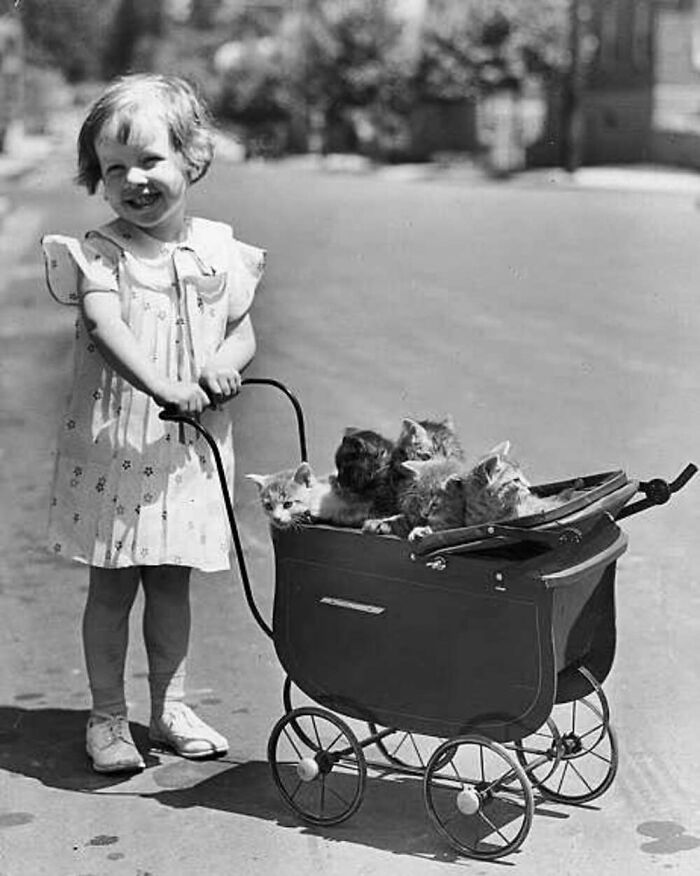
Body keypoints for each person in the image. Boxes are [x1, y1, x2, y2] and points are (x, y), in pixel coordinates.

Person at [41, 73, 265, 773]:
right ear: (98, 179)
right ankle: (107, 715)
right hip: (117, 446)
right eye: (115, 169)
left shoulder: (219, 252)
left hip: (182, 451)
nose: (133, 180)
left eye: (150, 161)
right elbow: (109, 329)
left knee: (172, 583)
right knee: (112, 586)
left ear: (192, 159)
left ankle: (168, 705)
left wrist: (223, 366)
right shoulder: (99, 254)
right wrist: (167, 382)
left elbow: (242, 331)